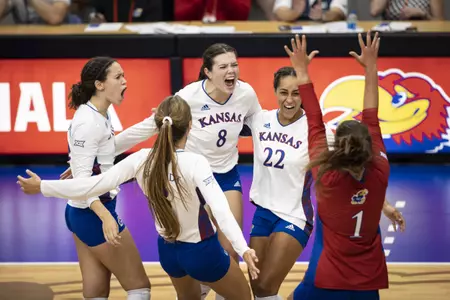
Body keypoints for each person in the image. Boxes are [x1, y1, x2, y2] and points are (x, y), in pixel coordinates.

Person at [59, 42, 262, 300]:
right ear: (208, 72)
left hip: (225, 173)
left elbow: (258, 123)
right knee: (188, 244)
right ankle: (198, 289)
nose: (231, 70)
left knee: (229, 249)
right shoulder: (189, 96)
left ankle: (210, 287)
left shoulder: (246, 93)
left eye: (234, 65)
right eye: (223, 66)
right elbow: (149, 127)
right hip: (189, 175)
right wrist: (89, 159)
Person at [18, 95, 260, 300]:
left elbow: (91, 185)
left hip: (168, 253)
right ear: (189, 126)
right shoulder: (196, 162)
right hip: (201, 251)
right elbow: (221, 209)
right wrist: (243, 248)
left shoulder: (141, 159)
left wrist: (42, 187)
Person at [284, 32, 389, 299]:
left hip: (325, 280)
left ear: (336, 145)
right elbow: (372, 116)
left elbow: (315, 120)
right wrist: (372, 67)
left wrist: (300, 70)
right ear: (369, 147)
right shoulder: (380, 171)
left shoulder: (326, 176)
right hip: (367, 283)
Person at [57, 56, 151, 300]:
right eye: (118, 77)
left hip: (80, 213)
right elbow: (82, 184)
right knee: (139, 287)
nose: (124, 82)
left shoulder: (99, 113)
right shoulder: (89, 122)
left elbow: (108, 148)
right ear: (99, 84)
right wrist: (105, 215)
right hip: (92, 212)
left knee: (96, 291)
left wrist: (155, 124)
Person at [243, 65, 335, 300]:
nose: (290, 99)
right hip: (262, 212)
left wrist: (382, 202)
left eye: (296, 93)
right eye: (284, 92)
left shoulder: (315, 130)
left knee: (265, 285)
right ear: (275, 92)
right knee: (258, 288)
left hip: (295, 215)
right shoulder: (259, 120)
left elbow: (355, 159)